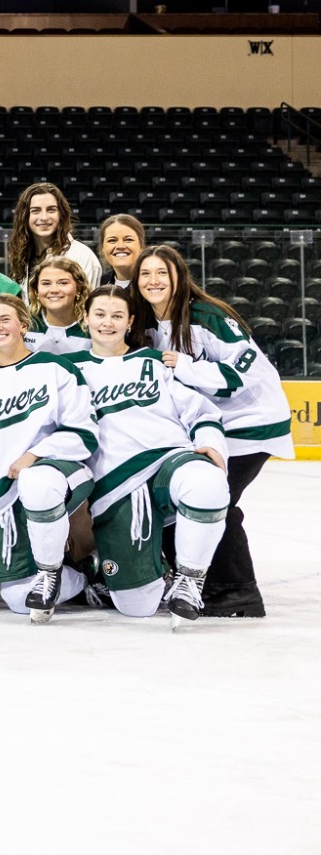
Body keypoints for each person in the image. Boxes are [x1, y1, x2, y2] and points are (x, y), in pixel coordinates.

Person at [131, 244, 289, 618]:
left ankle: (237, 591)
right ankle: (207, 583)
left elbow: (248, 371)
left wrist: (187, 368)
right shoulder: (149, 323)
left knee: (216, 501)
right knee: (192, 499)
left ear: (178, 277)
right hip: (214, 427)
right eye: (146, 274)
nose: (153, 281)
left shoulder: (206, 315)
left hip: (250, 423)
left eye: (161, 274)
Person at [77, 284, 230, 625]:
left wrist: (212, 444)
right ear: (85, 318)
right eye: (99, 314)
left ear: (130, 321)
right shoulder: (66, 370)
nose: (108, 322)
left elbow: (202, 412)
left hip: (167, 461)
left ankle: (190, 579)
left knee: (207, 484)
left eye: (117, 316)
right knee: (137, 605)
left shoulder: (153, 361)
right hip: (114, 486)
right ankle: (116, 567)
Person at [0, 292, 96, 620]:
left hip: (54, 476)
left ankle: (51, 572)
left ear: (24, 325)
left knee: (37, 482)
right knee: (14, 597)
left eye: (5, 319)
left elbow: (84, 432)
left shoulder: (55, 368)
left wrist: (35, 454)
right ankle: (81, 578)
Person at [8, 181, 101, 288]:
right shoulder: (22, 257)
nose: (44, 217)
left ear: (61, 214)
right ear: (25, 217)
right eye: (36, 211)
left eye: (51, 210)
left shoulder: (82, 256)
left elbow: (87, 302)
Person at [26, 255, 92, 354]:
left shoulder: (93, 325)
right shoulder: (23, 322)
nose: (54, 290)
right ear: (36, 291)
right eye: (46, 283)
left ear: (78, 289)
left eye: (63, 283)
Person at [98, 213, 147, 287]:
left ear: (141, 246)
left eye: (128, 239)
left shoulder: (151, 283)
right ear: (102, 248)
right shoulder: (100, 282)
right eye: (112, 240)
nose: (120, 246)